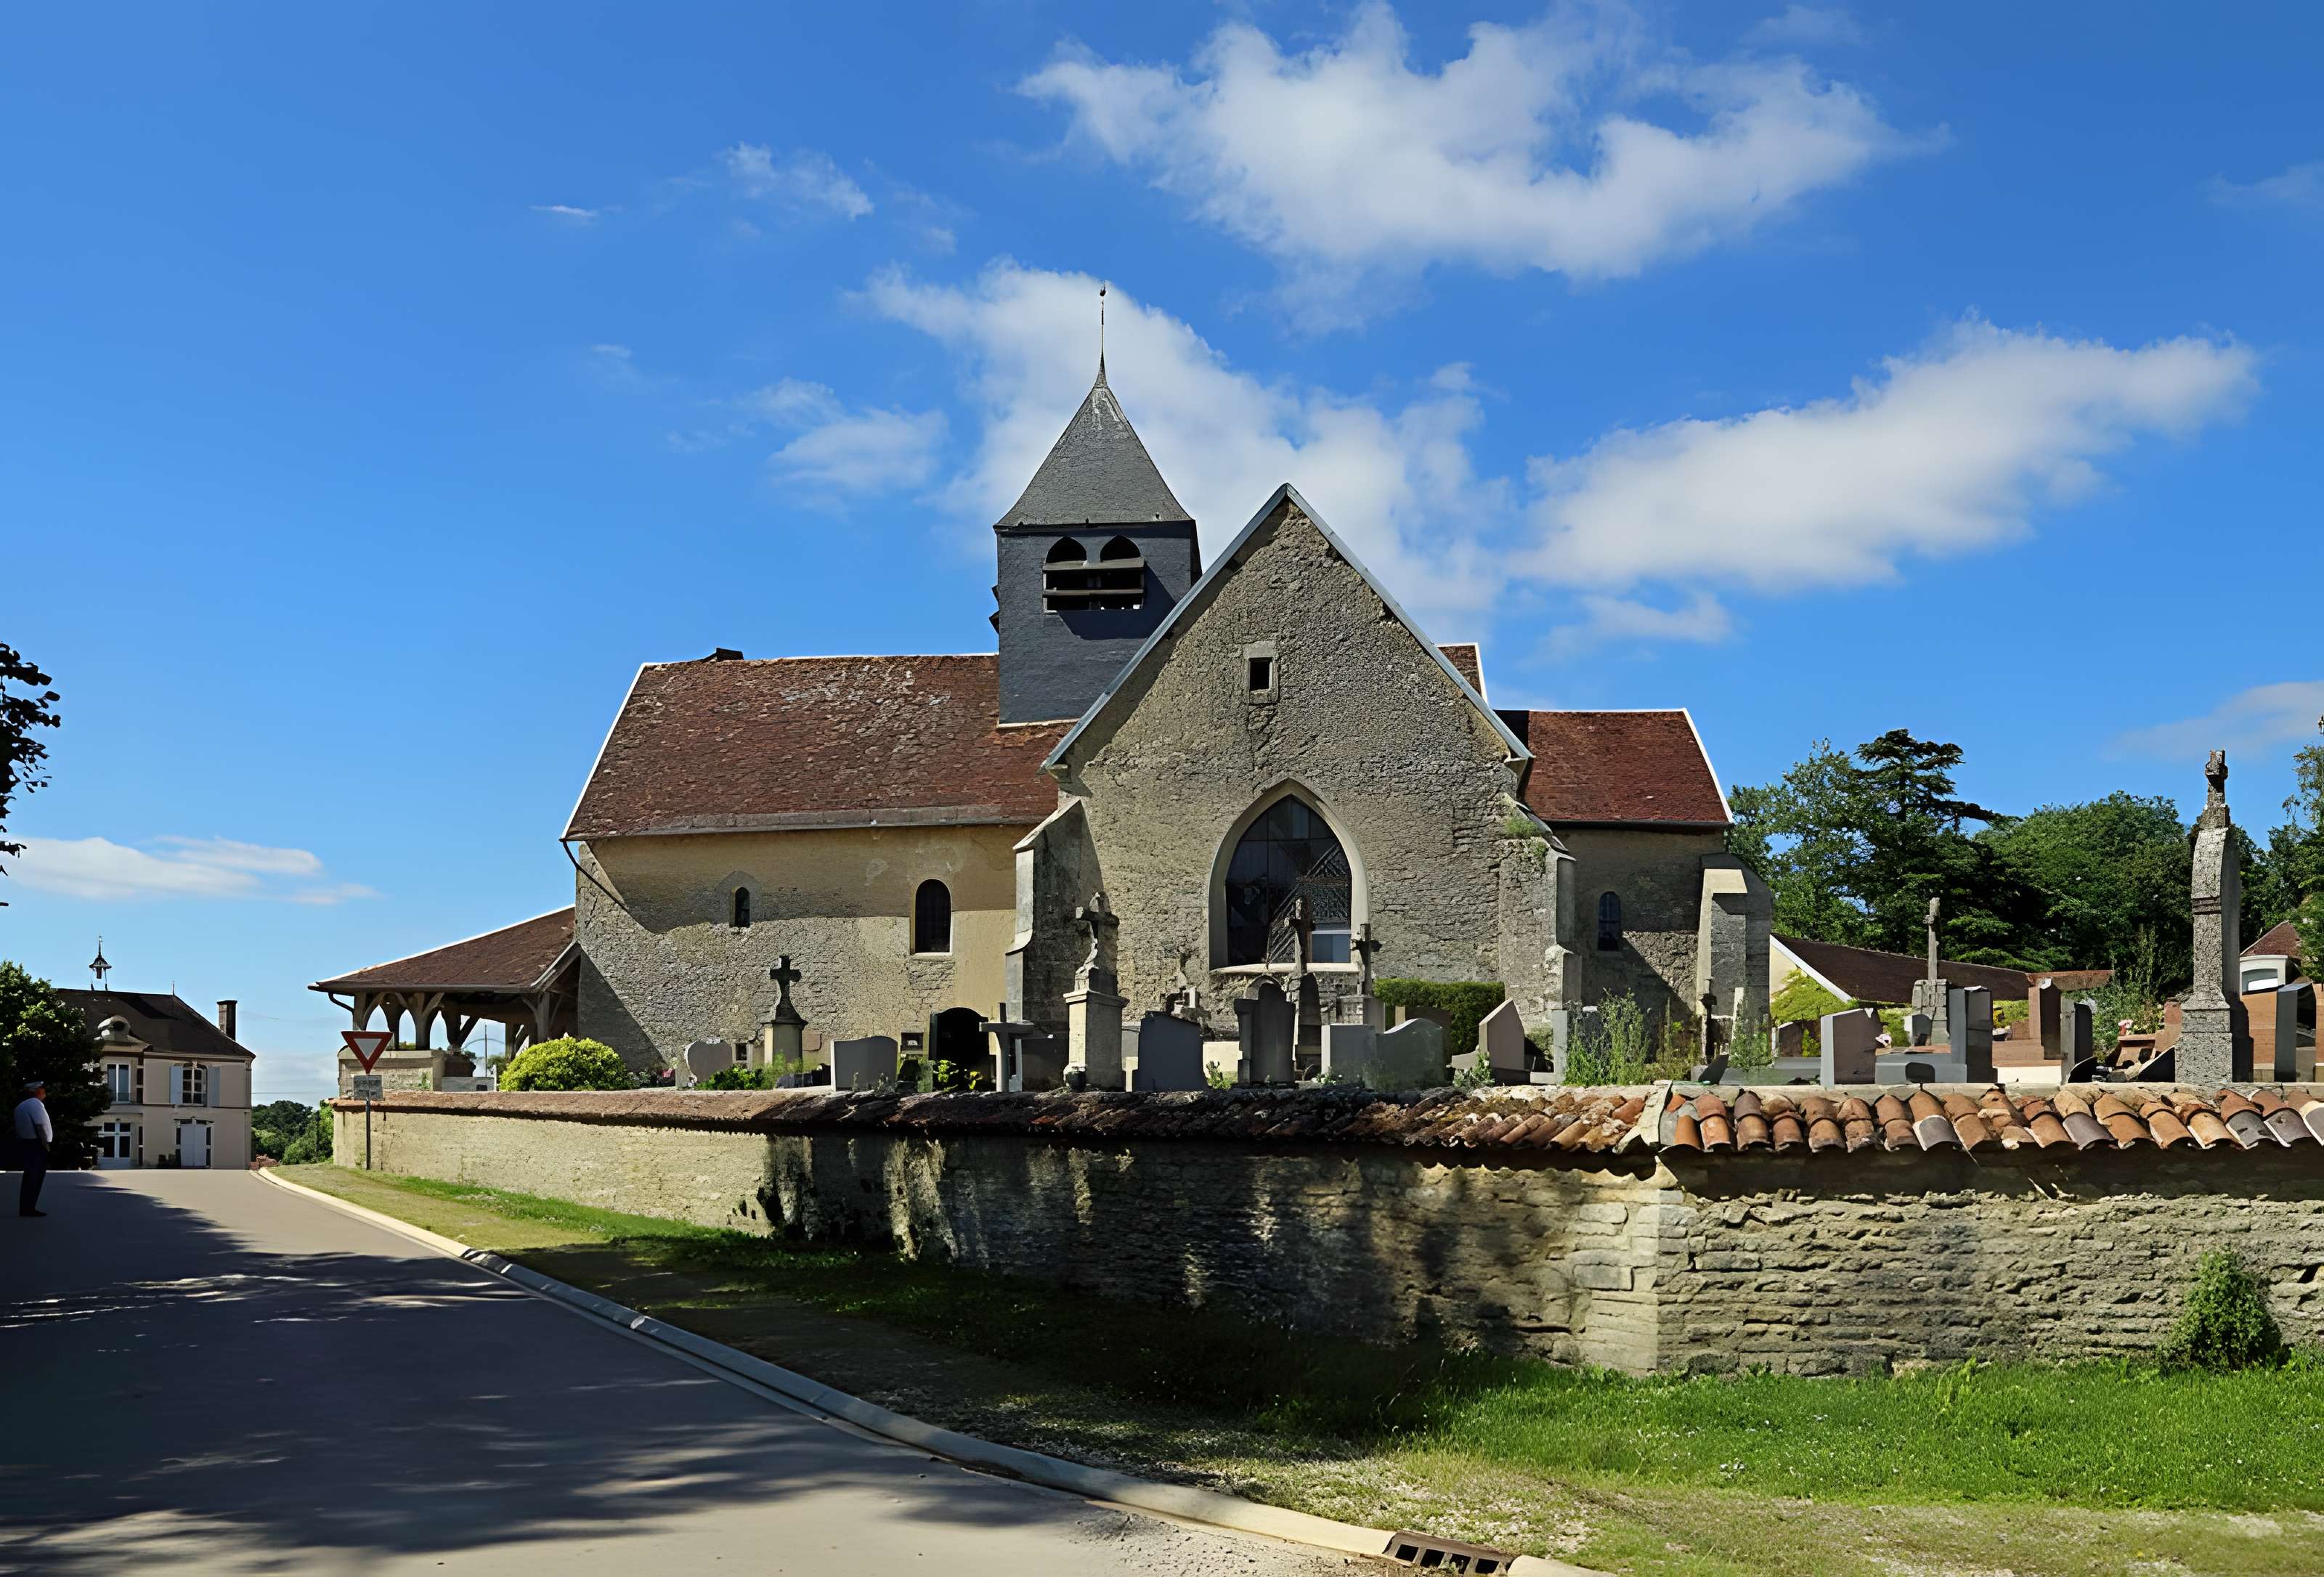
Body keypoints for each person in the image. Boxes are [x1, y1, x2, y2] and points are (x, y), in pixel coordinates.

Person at [15, 1078, 52, 1218]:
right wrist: (46, 1145)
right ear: (37, 1092)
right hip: (37, 1144)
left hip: (26, 1143)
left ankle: (26, 1207)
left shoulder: (21, 1106)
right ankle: (29, 1209)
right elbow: (40, 1126)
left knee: (29, 1176)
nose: (45, 1092)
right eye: (43, 1089)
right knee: (35, 1177)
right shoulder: (35, 1104)